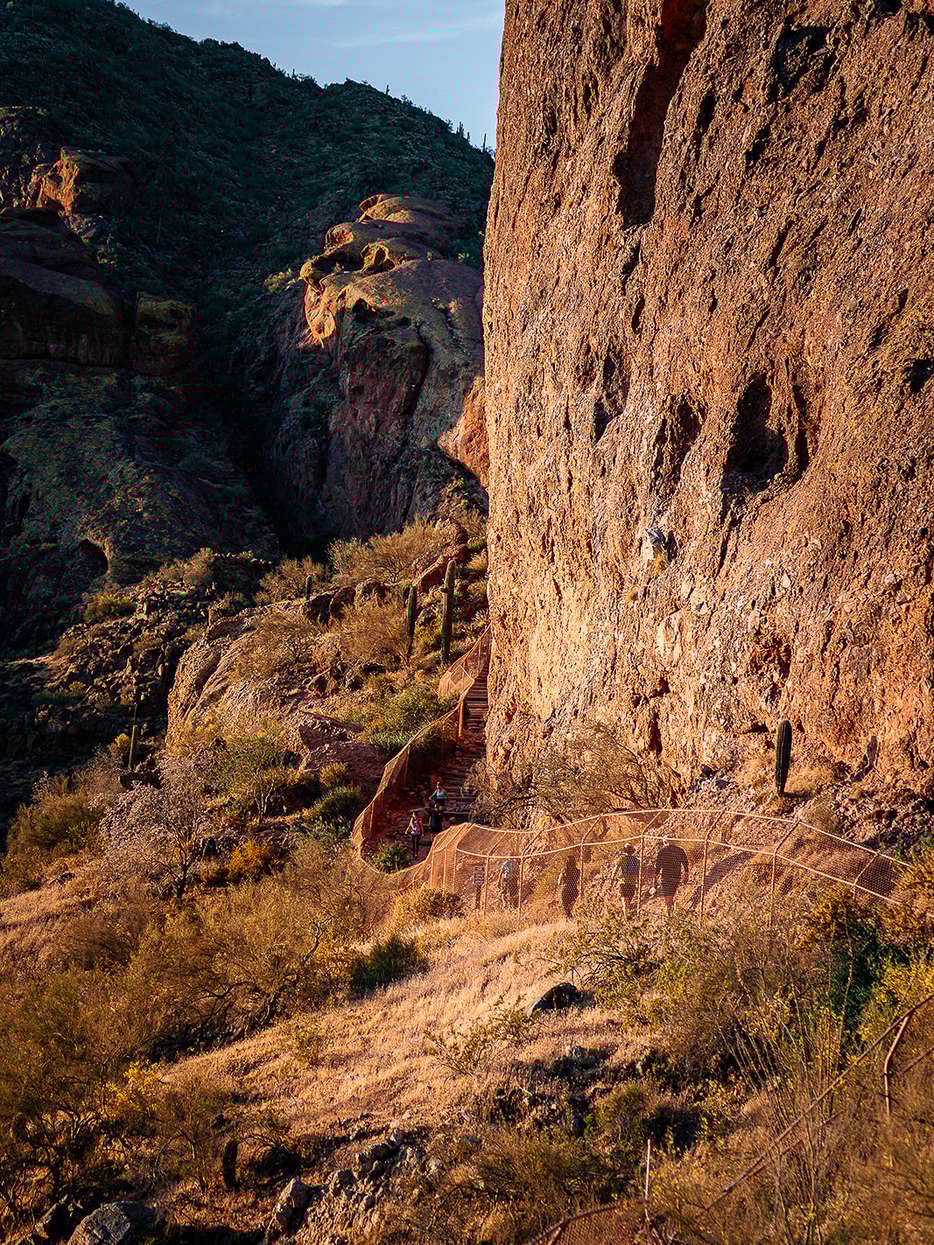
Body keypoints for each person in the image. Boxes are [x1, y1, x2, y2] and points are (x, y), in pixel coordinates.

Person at [653, 836, 689, 915]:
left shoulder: (662, 851)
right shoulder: (680, 850)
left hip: (666, 877)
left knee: (667, 898)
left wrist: (655, 878)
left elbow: (658, 866)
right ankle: (672, 913)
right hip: (676, 876)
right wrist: (686, 874)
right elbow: (685, 863)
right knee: (671, 896)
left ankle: (669, 916)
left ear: (665, 842)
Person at [616, 843, 639, 917]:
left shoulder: (622, 859)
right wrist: (638, 884)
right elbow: (638, 873)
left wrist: (612, 879)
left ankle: (626, 920)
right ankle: (628, 919)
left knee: (625, 904)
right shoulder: (637, 860)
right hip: (632, 883)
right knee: (628, 903)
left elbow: (615, 869)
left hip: (623, 882)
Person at [557, 853, 580, 919]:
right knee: (572, 907)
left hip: (565, 890)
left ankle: (569, 920)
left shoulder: (564, 870)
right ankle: (573, 920)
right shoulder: (578, 871)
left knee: (566, 909)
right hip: (574, 890)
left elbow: (559, 882)